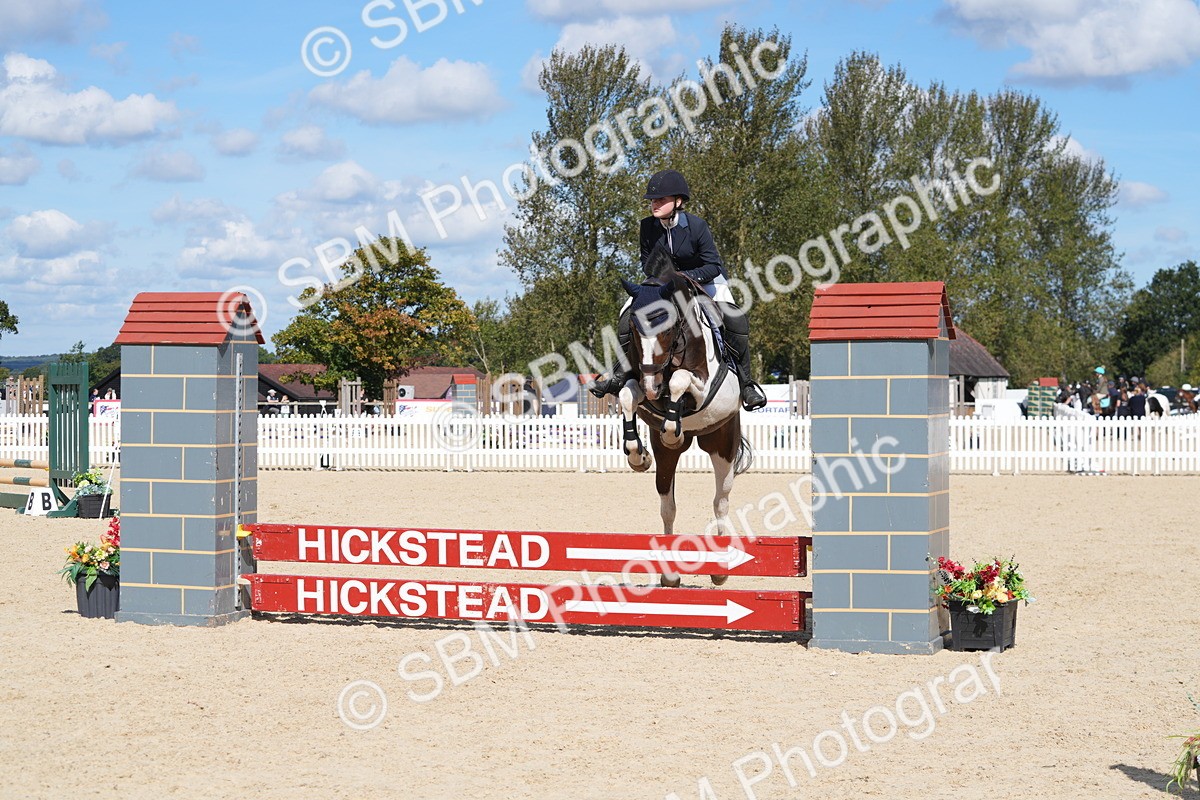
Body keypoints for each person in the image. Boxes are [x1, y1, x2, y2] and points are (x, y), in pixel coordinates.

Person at [589, 170, 767, 411]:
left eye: (661, 200)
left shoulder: (696, 226)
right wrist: (666, 280)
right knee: (627, 312)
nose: (654, 204)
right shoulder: (647, 227)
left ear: (678, 202)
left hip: (704, 280)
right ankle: (619, 374)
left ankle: (746, 383)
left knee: (735, 318)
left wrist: (685, 278)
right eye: (653, 200)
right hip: (663, 284)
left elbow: (713, 265)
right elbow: (646, 263)